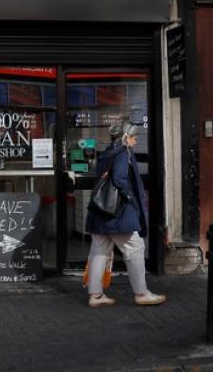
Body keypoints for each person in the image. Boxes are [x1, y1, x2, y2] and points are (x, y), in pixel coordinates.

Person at [85, 120, 166, 308]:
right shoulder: (122, 152)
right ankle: (142, 293)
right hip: (117, 212)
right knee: (135, 248)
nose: (135, 141)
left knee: (99, 251)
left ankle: (95, 295)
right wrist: (130, 198)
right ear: (124, 137)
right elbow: (119, 178)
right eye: (133, 137)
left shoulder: (106, 153)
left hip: (101, 211)